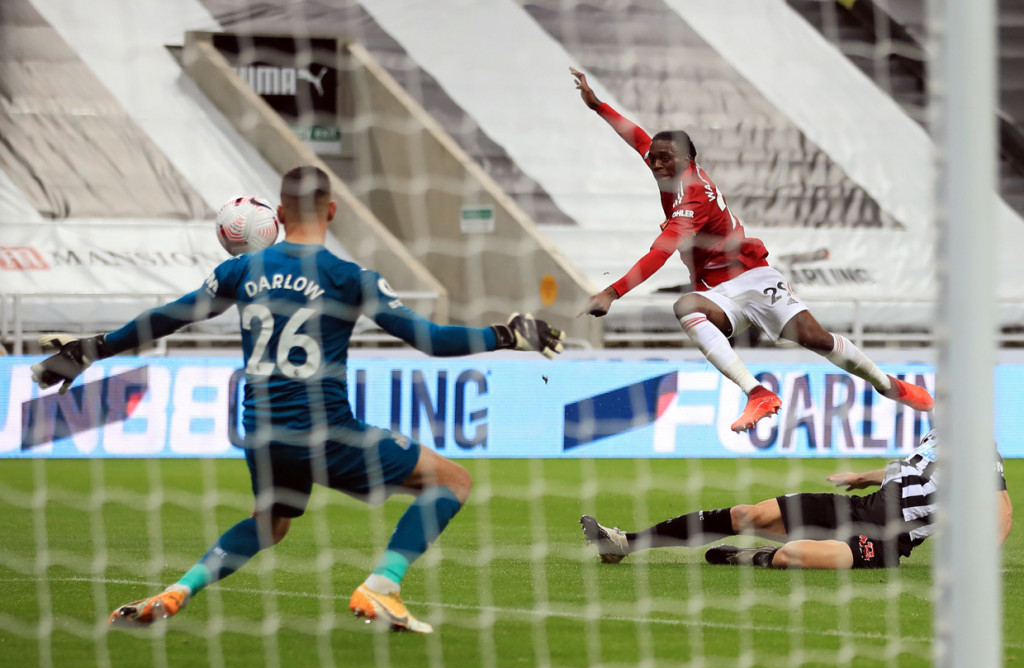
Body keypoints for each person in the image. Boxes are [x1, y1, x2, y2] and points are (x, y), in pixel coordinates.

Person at [31, 165, 565, 634]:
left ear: (279, 215)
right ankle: (383, 584)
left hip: (259, 431)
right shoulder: (350, 277)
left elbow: (172, 315)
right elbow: (429, 340)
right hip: (324, 430)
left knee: (272, 521)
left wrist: (97, 348)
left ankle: (177, 591)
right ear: (333, 210)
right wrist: (506, 334)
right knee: (451, 480)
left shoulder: (240, 271)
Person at [569, 67, 933, 432]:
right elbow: (638, 138)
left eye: (666, 158)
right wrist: (598, 105)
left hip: (751, 276)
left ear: (688, 160)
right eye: (655, 158)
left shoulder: (691, 197)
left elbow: (661, 252)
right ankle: (757, 392)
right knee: (686, 307)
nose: (658, 164)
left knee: (816, 339)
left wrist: (612, 292)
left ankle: (889, 385)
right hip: (715, 291)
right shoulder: (668, 168)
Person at [580, 429, 1013, 569]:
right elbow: (906, 470)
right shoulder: (937, 436)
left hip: (887, 539)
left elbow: (1003, 514)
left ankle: (750, 557)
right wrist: (862, 476)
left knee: (791, 556)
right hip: (858, 508)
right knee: (746, 512)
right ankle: (624, 543)